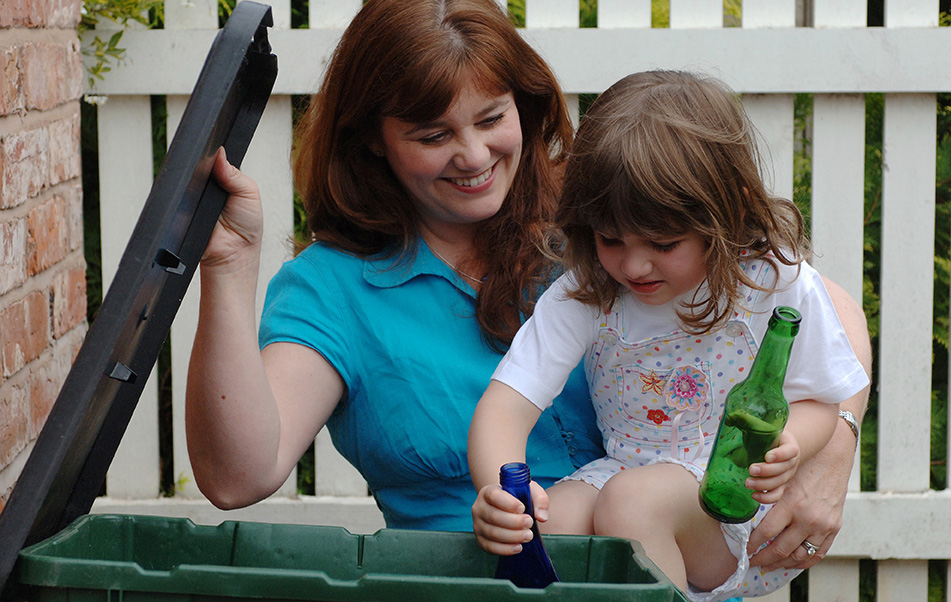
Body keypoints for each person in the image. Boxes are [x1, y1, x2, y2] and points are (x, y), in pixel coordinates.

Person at [187, 0, 870, 579]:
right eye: (433, 134)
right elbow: (236, 477)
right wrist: (227, 269)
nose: (475, 157)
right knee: (590, 517)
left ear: (526, 105)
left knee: (626, 510)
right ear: (373, 141)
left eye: (491, 120)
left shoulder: (594, 223)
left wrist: (832, 443)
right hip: (483, 577)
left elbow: (813, 307)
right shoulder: (336, 289)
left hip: (663, 534)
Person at [467, 70, 870, 601]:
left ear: (726, 212)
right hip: (628, 469)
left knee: (632, 503)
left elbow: (824, 397)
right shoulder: (588, 293)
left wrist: (789, 443)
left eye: (662, 241)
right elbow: (506, 405)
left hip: (735, 507)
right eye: (610, 238)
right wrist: (500, 489)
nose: (633, 264)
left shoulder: (774, 283)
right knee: (552, 527)